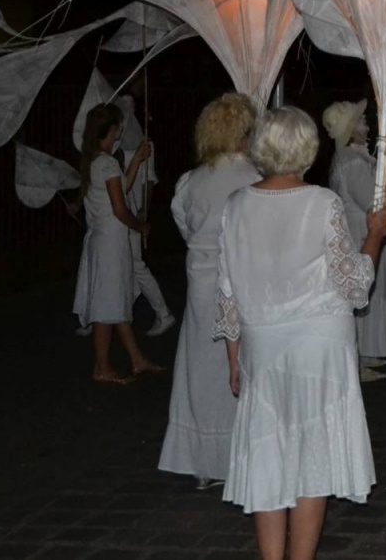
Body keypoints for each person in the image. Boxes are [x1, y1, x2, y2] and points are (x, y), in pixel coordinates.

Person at [215, 106, 386, 560]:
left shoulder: (235, 206)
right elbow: (354, 287)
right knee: (313, 456)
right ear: (306, 149)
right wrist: (375, 236)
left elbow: (228, 290)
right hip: (319, 345)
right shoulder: (322, 203)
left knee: (269, 454)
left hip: (264, 345)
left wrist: (234, 358)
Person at [160, 93, 260, 487]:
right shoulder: (255, 180)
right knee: (241, 370)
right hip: (241, 283)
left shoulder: (190, 182)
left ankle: (204, 462)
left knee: (202, 371)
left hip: (201, 287)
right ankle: (237, 457)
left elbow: (185, 227)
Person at [72, 103, 161, 383]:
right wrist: (142, 225)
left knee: (115, 302)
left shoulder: (96, 161)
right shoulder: (107, 164)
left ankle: (137, 360)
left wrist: (136, 161)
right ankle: (102, 368)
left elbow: (122, 188)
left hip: (103, 241)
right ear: (111, 130)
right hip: (110, 244)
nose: (122, 129)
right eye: (119, 126)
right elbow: (121, 209)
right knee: (106, 307)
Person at [323, 101, 386, 379]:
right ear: (351, 131)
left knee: (374, 291)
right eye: (362, 122)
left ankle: (368, 348)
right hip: (364, 232)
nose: (366, 125)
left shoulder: (359, 158)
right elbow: (374, 205)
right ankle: (358, 357)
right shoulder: (352, 162)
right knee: (367, 290)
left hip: (367, 230)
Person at [114, 95, 175, 338]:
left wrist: (143, 212)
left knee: (135, 264)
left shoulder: (143, 143)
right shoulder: (116, 147)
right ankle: (110, 314)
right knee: (126, 265)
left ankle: (163, 313)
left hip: (131, 212)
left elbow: (149, 180)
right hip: (120, 211)